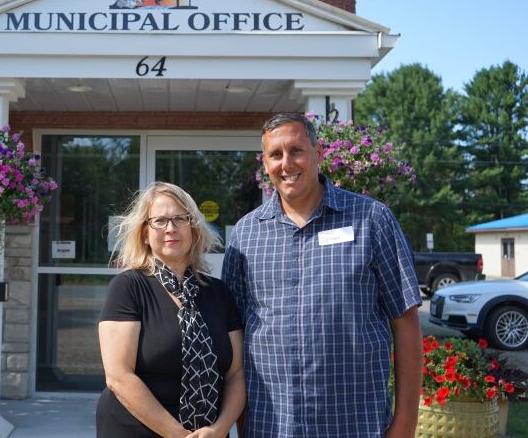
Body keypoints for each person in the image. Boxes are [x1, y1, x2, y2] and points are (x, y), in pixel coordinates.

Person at [222, 113, 423, 438]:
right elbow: (235, 336)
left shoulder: (372, 219)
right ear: (265, 163)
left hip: (355, 425)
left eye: (296, 150)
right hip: (272, 427)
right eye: (275, 154)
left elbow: (406, 320)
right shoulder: (247, 234)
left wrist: (404, 425)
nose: (286, 163)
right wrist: (242, 422)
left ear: (319, 152)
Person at [97, 182, 246, 438]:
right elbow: (118, 376)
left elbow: (236, 373)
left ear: (194, 229)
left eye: (180, 219)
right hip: (135, 429)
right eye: (160, 221)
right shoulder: (127, 287)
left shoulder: (218, 293)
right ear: (144, 233)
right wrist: (177, 434)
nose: (171, 228)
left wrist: (220, 428)